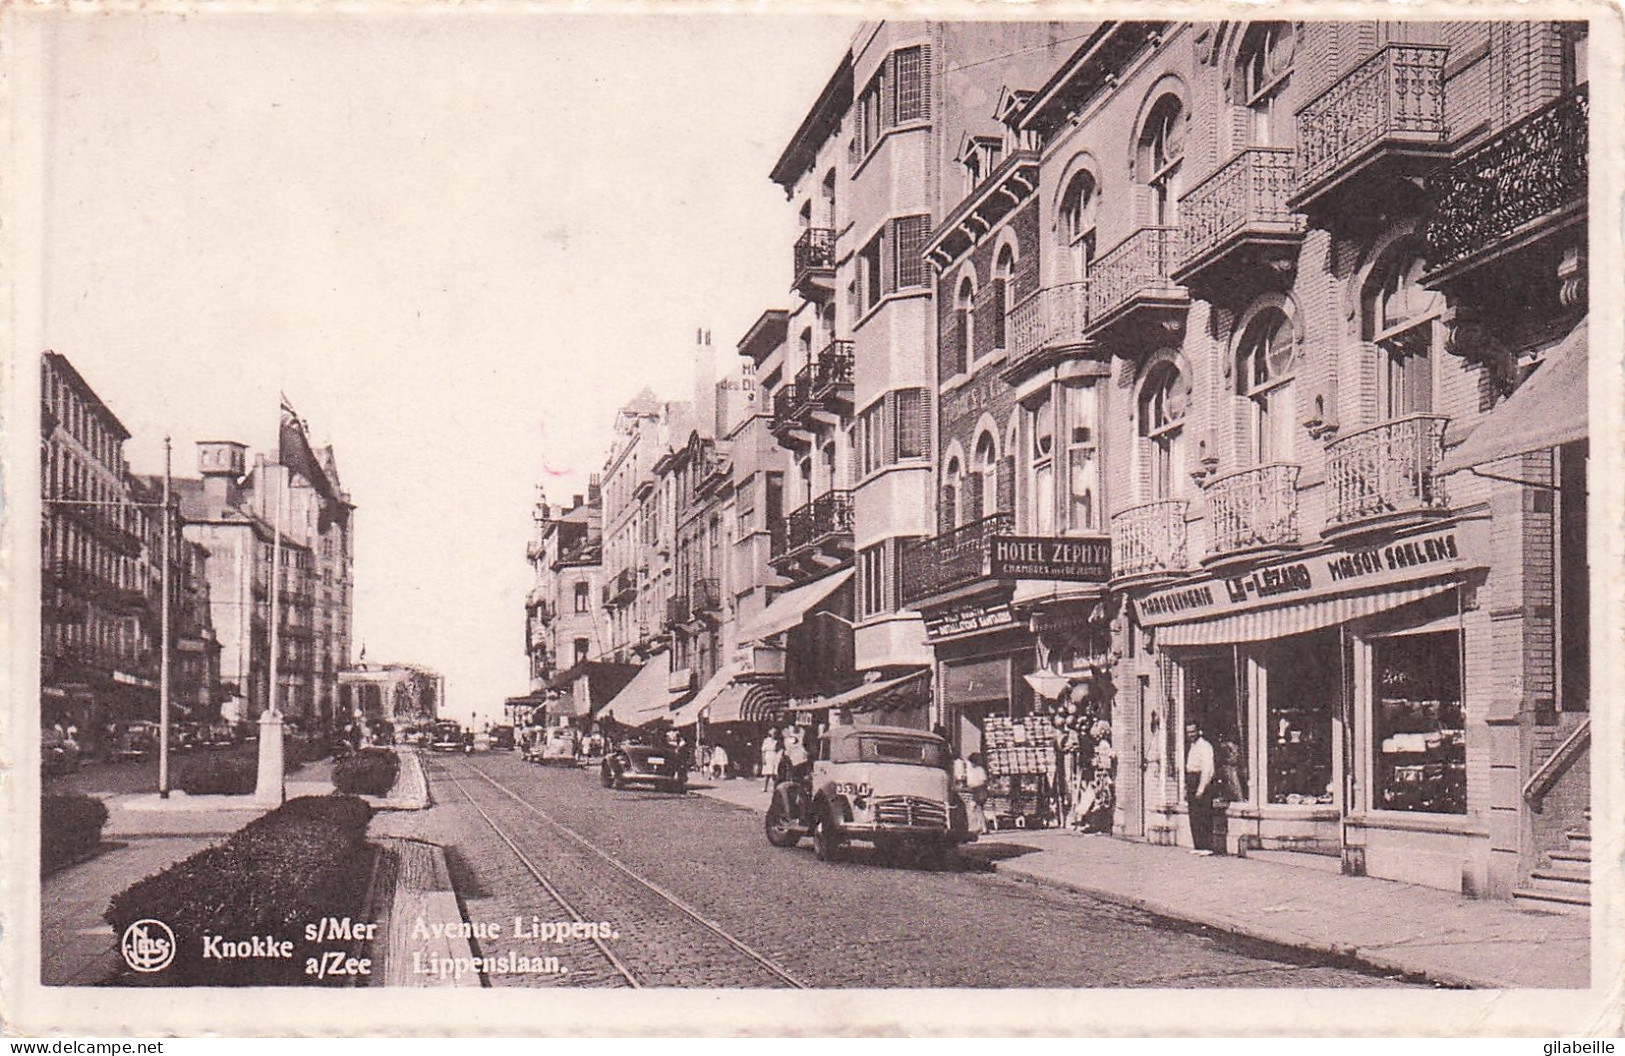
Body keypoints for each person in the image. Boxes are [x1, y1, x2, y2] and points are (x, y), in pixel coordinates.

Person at [1185, 721, 1216, 855]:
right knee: (1194, 814)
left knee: (1203, 814)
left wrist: (1201, 788)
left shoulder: (1205, 746)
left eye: (1193, 731)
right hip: (1192, 779)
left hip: (1200, 780)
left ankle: (1207, 847)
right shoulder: (1192, 746)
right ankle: (1198, 845)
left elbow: (1207, 769)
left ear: (1199, 731)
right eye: (1188, 732)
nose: (1190, 735)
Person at [963, 752, 990, 833]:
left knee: (977, 808)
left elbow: (983, 781)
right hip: (976, 791)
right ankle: (981, 825)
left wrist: (973, 784)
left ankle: (983, 827)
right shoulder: (973, 770)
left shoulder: (980, 770)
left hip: (980, 791)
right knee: (976, 809)